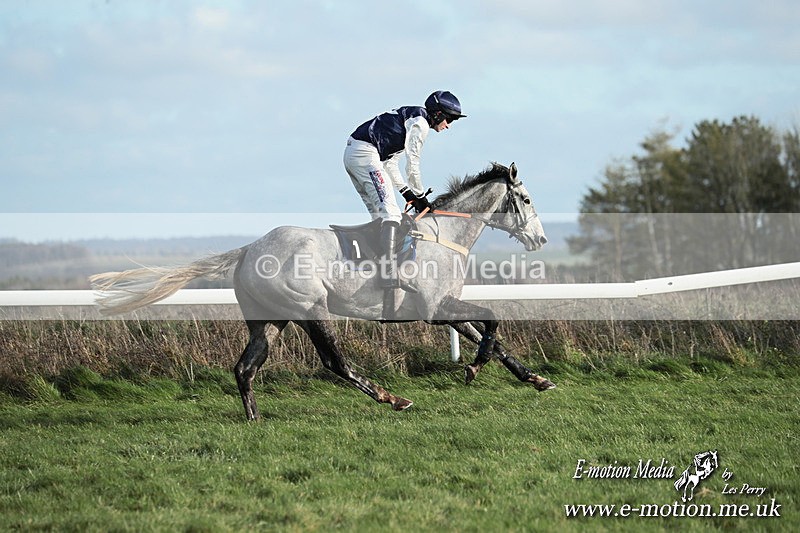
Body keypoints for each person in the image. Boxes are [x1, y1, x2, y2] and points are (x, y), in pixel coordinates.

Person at [343, 90, 466, 304]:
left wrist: (406, 192)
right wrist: (420, 195)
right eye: (450, 119)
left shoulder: (409, 119)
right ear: (437, 114)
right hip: (365, 154)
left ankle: (374, 267)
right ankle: (388, 273)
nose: (449, 125)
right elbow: (413, 164)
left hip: (356, 154)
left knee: (381, 216)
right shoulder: (420, 123)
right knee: (391, 213)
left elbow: (390, 162)